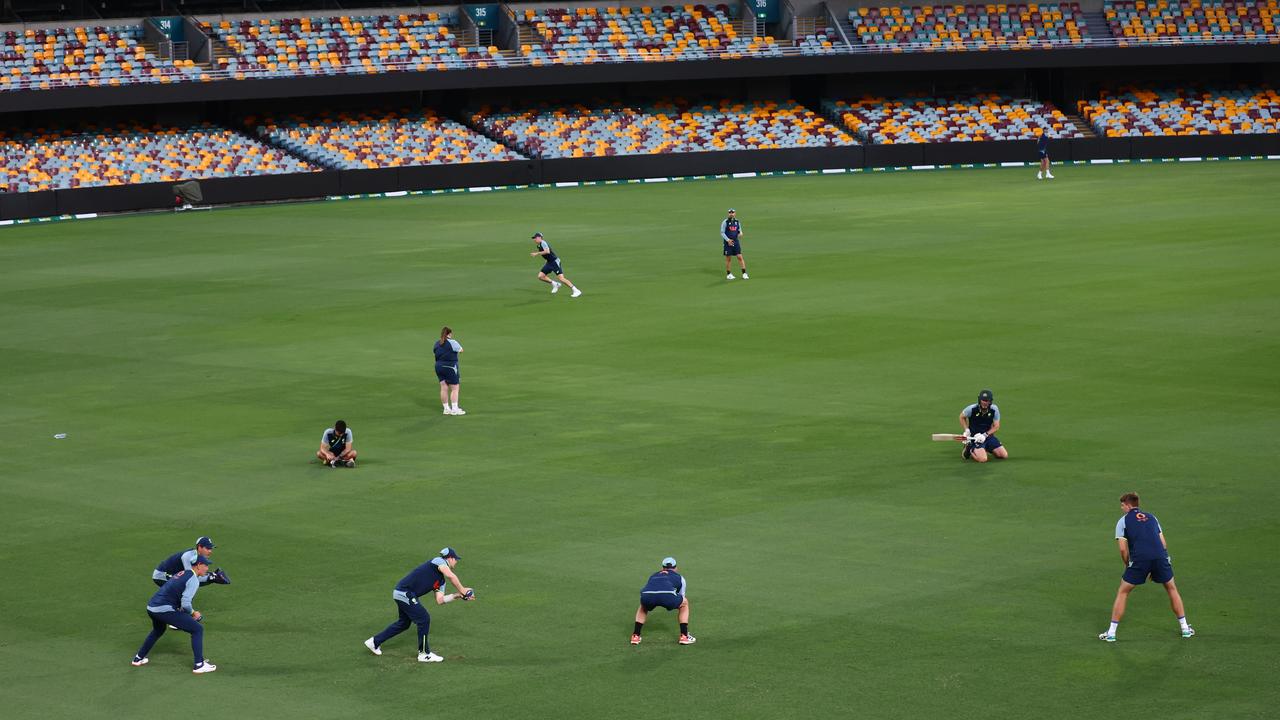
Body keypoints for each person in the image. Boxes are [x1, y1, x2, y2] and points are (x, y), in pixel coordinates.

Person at [1100, 493, 1194, 642]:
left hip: (1140, 559)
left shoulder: (1123, 521)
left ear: (1128, 505)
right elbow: (1163, 543)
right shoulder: (1152, 517)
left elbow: (1123, 550)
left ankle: (1111, 633)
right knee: (1171, 588)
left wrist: (1128, 565)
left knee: (1123, 591)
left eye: (1122, 505)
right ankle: (1185, 629)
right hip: (1160, 557)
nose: (1121, 507)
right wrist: (1155, 565)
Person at [364, 547, 474, 663]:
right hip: (405, 592)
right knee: (424, 619)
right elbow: (451, 575)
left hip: (403, 594)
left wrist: (457, 595)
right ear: (450, 558)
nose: (456, 562)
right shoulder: (438, 561)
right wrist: (463, 590)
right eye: (456, 559)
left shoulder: (440, 581)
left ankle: (374, 642)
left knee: (404, 623)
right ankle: (424, 654)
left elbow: (440, 600)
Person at [132, 555, 217, 673]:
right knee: (197, 629)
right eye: (206, 565)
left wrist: (181, 610)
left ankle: (138, 658)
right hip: (163, 609)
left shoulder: (182, 573)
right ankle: (199, 664)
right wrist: (193, 613)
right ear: (198, 565)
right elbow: (186, 603)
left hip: (152, 607)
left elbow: (174, 593)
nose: (207, 568)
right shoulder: (193, 580)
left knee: (158, 630)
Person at [631, 557, 694, 646]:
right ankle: (684, 636)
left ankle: (635, 636)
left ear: (662, 568)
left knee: (643, 606)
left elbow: (650, 587)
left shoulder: (654, 575)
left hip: (647, 595)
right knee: (684, 604)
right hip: (667, 596)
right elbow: (681, 595)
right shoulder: (680, 577)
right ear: (676, 568)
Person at [151, 536, 230, 587]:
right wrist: (211, 577)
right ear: (199, 547)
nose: (210, 551)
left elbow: (197, 575)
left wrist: (211, 576)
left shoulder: (198, 557)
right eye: (207, 548)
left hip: (172, 574)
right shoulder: (187, 556)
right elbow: (190, 578)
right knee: (186, 582)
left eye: (211, 548)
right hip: (161, 576)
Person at [959, 389, 1008, 462]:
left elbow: (996, 426)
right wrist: (966, 430)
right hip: (975, 438)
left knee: (1003, 455)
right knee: (983, 459)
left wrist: (985, 435)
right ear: (980, 400)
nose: (985, 402)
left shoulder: (994, 409)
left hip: (988, 436)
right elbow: (961, 417)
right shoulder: (972, 409)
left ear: (990, 401)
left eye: (987, 401)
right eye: (983, 400)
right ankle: (969, 449)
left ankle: (984, 448)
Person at [530, 232, 582, 298]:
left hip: (554, 262)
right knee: (541, 276)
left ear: (540, 237)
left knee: (561, 278)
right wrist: (546, 261)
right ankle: (555, 284)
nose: (534, 239)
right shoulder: (539, 245)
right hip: (549, 263)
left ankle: (576, 290)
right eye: (534, 238)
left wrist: (537, 253)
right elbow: (547, 255)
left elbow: (547, 251)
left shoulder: (543, 243)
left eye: (535, 238)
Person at [434, 326, 465, 416]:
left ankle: (446, 409)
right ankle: (455, 409)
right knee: (455, 388)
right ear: (449, 334)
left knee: (443, 387)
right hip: (450, 367)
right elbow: (461, 350)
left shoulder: (437, 343)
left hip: (438, 366)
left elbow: (435, 353)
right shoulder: (452, 342)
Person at [721, 209, 748, 280]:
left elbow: (740, 230)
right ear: (728, 214)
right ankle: (729, 274)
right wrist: (728, 240)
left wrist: (741, 233)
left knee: (740, 257)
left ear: (735, 213)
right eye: (730, 213)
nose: (731, 214)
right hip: (728, 243)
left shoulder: (737, 222)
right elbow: (722, 232)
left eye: (732, 213)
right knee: (728, 259)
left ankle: (744, 273)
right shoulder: (725, 222)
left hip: (736, 242)